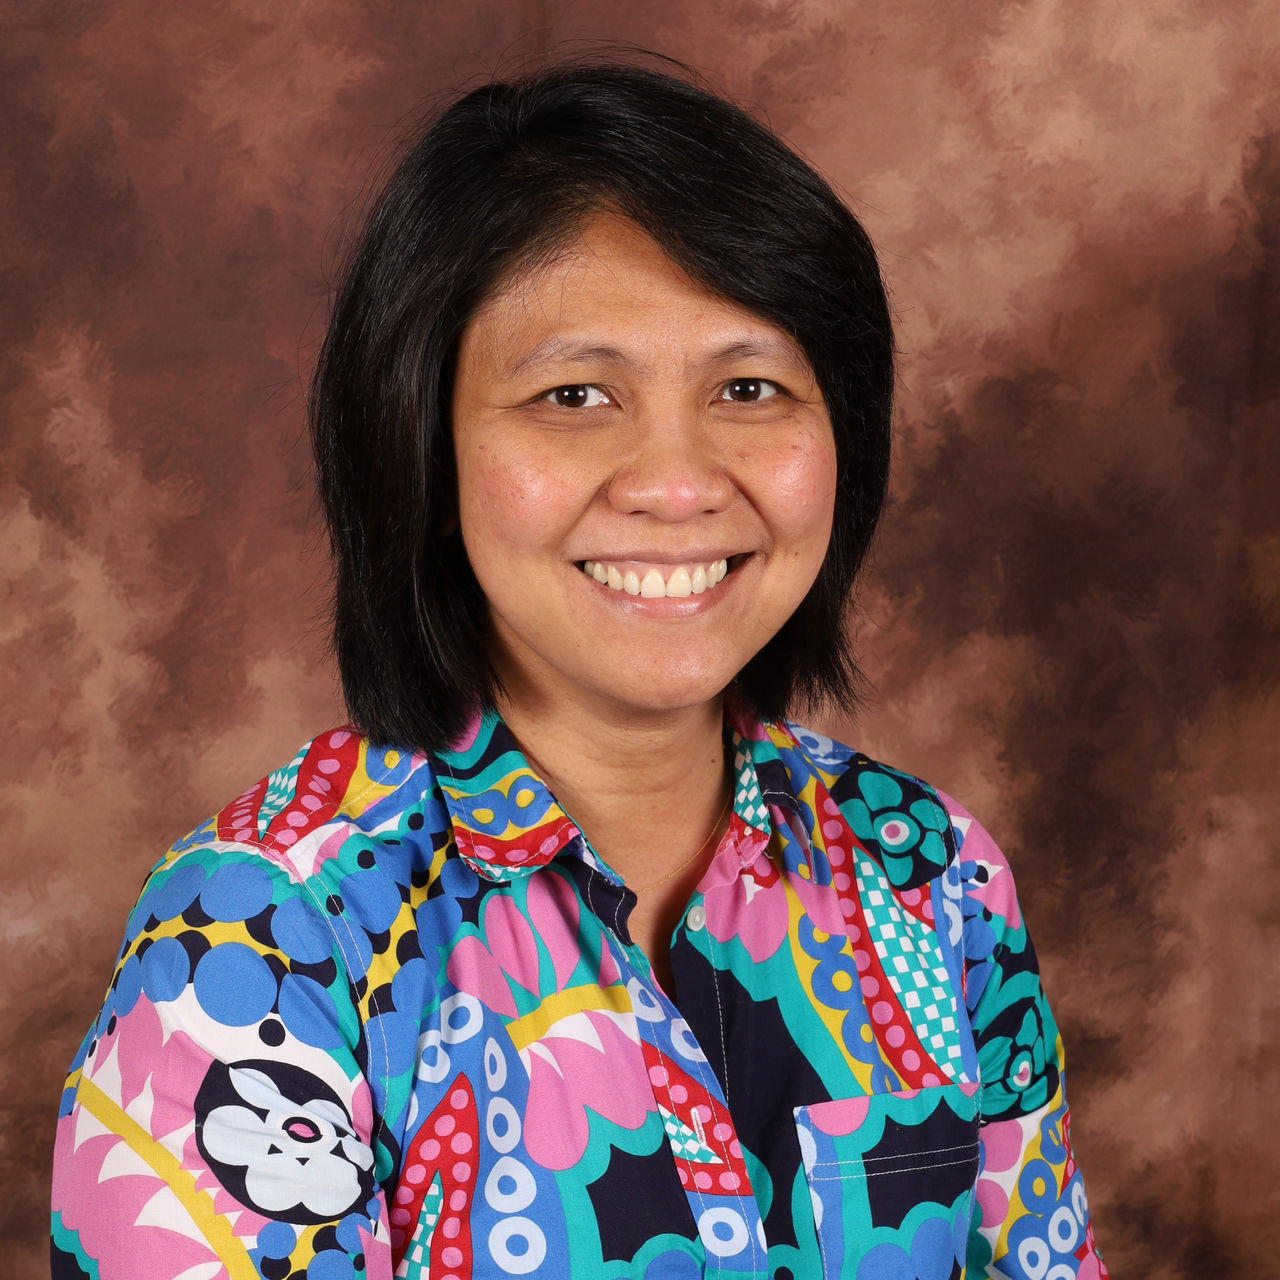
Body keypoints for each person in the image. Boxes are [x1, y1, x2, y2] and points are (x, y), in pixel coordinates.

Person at [51, 59, 1107, 1280]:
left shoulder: (930, 873)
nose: (677, 482)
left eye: (749, 386)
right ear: (421, 448)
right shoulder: (261, 935)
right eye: (574, 393)